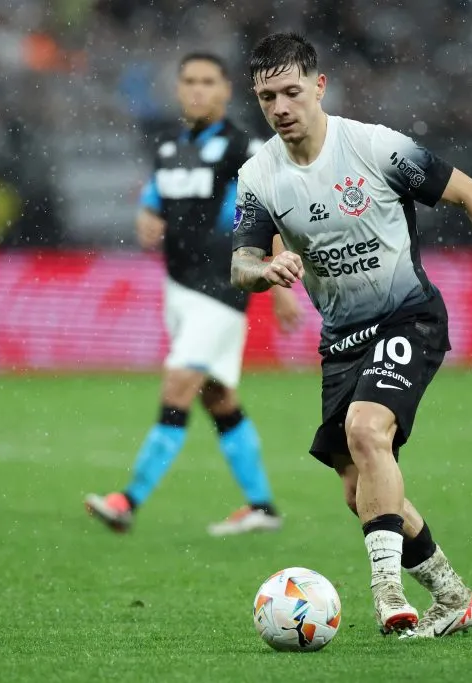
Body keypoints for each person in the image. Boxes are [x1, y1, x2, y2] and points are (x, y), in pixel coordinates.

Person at [230, 33, 472, 638]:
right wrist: (264, 271)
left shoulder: (375, 148)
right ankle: (453, 596)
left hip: (408, 317)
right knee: (361, 492)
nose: (279, 107)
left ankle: (385, 591)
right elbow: (240, 264)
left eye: (292, 92)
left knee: (365, 429)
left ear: (319, 86)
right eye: (266, 96)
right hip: (341, 339)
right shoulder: (258, 177)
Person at [86, 52, 302, 537]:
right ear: (179, 89)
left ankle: (128, 500)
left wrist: (279, 278)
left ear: (226, 91)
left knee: (177, 385)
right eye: (189, 81)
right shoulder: (168, 146)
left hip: (224, 285)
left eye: (208, 82)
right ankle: (262, 506)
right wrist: (146, 213)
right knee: (218, 396)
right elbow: (155, 199)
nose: (198, 90)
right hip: (179, 288)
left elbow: (268, 208)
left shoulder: (241, 146)